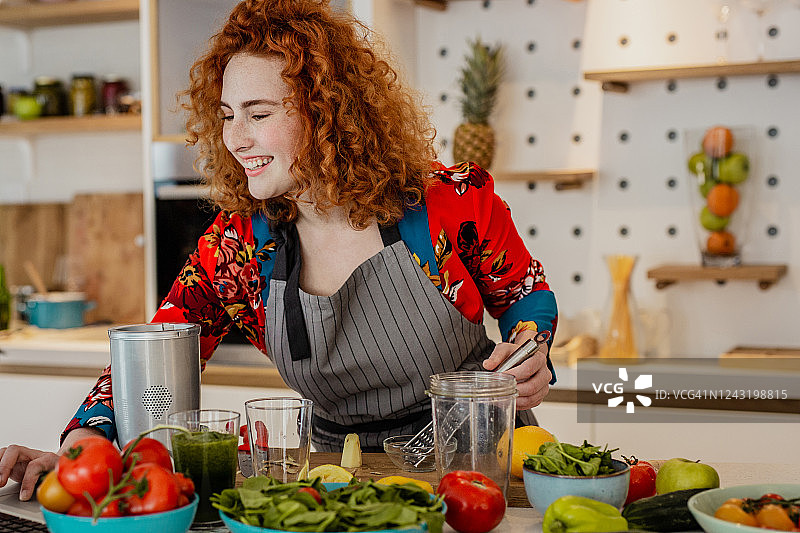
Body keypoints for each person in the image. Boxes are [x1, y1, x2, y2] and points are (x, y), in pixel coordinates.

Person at [0, 0, 557, 500]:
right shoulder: (237, 243)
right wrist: (82, 449)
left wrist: (533, 349)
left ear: (329, 113)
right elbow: (156, 352)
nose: (235, 138)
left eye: (258, 113)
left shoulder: (451, 200)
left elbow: (526, 299)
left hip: (478, 470)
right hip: (336, 478)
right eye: (226, 114)